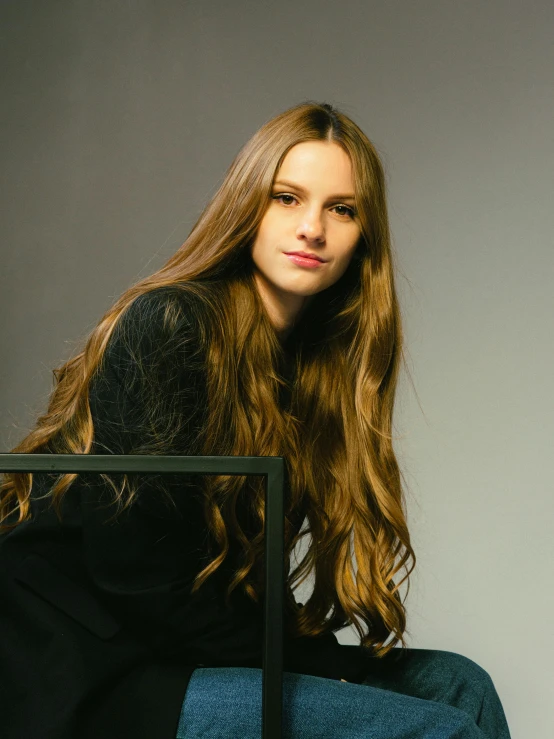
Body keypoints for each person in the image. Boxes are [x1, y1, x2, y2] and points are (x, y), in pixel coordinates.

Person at [0, 101, 511, 739]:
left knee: (463, 685)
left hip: (179, 648)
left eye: (341, 208)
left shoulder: (314, 365)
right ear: (248, 206)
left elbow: (232, 578)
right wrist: (310, 663)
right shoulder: (171, 323)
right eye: (287, 198)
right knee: (440, 731)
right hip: (93, 668)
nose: (313, 229)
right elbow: (134, 575)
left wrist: (311, 657)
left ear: (364, 235)